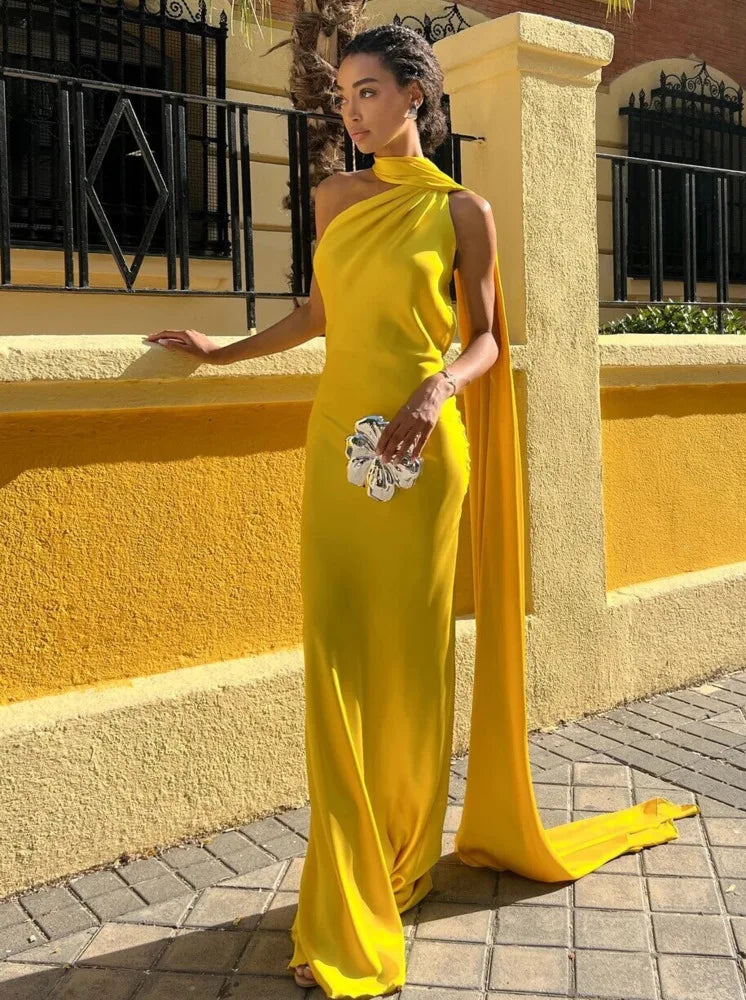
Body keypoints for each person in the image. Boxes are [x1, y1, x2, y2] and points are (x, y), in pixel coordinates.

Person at [145, 24, 699, 1000]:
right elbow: (319, 313)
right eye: (344, 96)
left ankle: (400, 863)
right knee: (338, 656)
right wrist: (222, 351)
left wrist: (437, 391)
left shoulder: (463, 211)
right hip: (337, 449)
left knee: (410, 662)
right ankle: (350, 878)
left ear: (415, 96)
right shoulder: (333, 197)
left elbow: (486, 338)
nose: (351, 112)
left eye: (368, 92)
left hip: (421, 448)